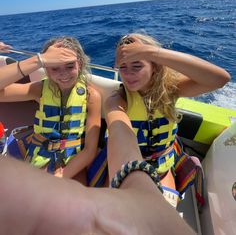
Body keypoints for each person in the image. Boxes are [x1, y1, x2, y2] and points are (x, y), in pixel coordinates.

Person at [0, 103, 195, 235]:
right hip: (47, 155)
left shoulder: (100, 99)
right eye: (123, 65)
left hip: (157, 164)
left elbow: (218, 79)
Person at [109, 33, 230, 207]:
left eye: (137, 65)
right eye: (123, 67)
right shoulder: (117, 99)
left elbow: (220, 79)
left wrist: (151, 52)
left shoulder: (171, 90)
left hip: (162, 169)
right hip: (127, 166)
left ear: (155, 67)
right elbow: (119, 133)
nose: (128, 75)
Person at [0, 37, 101, 183]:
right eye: (55, 67)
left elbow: (89, 151)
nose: (63, 73)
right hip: (39, 155)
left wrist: (61, 176)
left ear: (80, 63)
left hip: (73, 161)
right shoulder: (39, 89)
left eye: (69, 66)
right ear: (46, 69)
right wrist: (38, 60)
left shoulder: (92, 96)